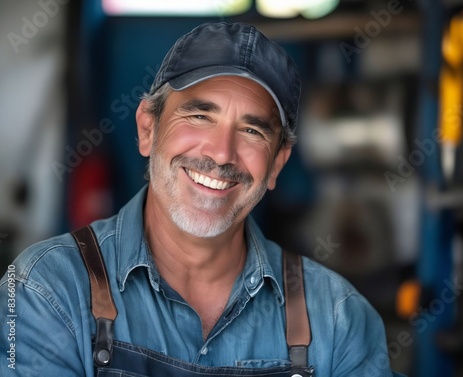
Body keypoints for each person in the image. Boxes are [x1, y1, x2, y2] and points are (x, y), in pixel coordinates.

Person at [0, 22, 404, 377]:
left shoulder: (337, 319)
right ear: (147, 128)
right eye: (199, 116)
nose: (221, 153)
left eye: (252, 131)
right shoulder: (47, 288)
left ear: (278, 164)